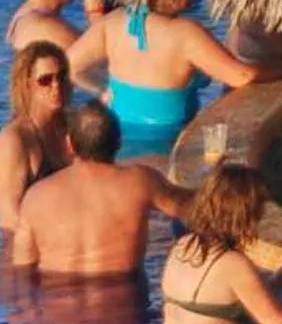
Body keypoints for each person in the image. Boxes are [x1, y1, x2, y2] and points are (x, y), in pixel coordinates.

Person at [161, 165, 282, 324]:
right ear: (245, 214)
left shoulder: (182, 246)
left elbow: (221, 295)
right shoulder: (234, 264)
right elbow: (281, 322)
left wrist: (277, 283)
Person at [13, 102, 192, 276]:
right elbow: (191, 209)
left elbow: (22, 270)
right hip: (125, 299)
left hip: (57, 301)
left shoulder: (35, 197)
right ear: (118, 143)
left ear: (69, 144)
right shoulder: (140, 181)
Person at [68, 0, 257, 144]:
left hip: (117, 137)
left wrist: (101, 88)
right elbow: (242, 77)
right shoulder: (186, 34)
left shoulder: (114, 21)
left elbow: (69, 66)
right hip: (168, 139)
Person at [0, 41, 73, 233]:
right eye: (45, 80)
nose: (56, 86)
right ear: (27, 85)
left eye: (61, 77)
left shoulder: (75, 126)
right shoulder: (14, 141)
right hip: (34, 244)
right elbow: (10, 218)